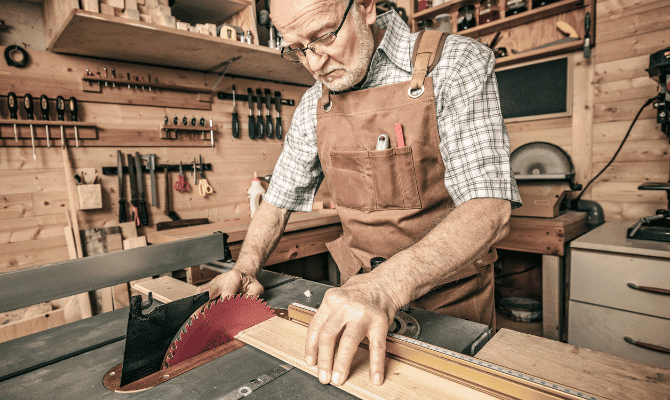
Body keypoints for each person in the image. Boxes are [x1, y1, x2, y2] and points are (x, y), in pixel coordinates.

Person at [199, 0, 521, 388]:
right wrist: (245, 268)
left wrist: (384, 286)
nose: (314, 63)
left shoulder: (455, 63)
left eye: (323, 37)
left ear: (366, 7)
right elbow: (278, 199)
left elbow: (490, 207)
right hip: (356, 301)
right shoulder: (313, 104)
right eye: (298, 49)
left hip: (451, 304)